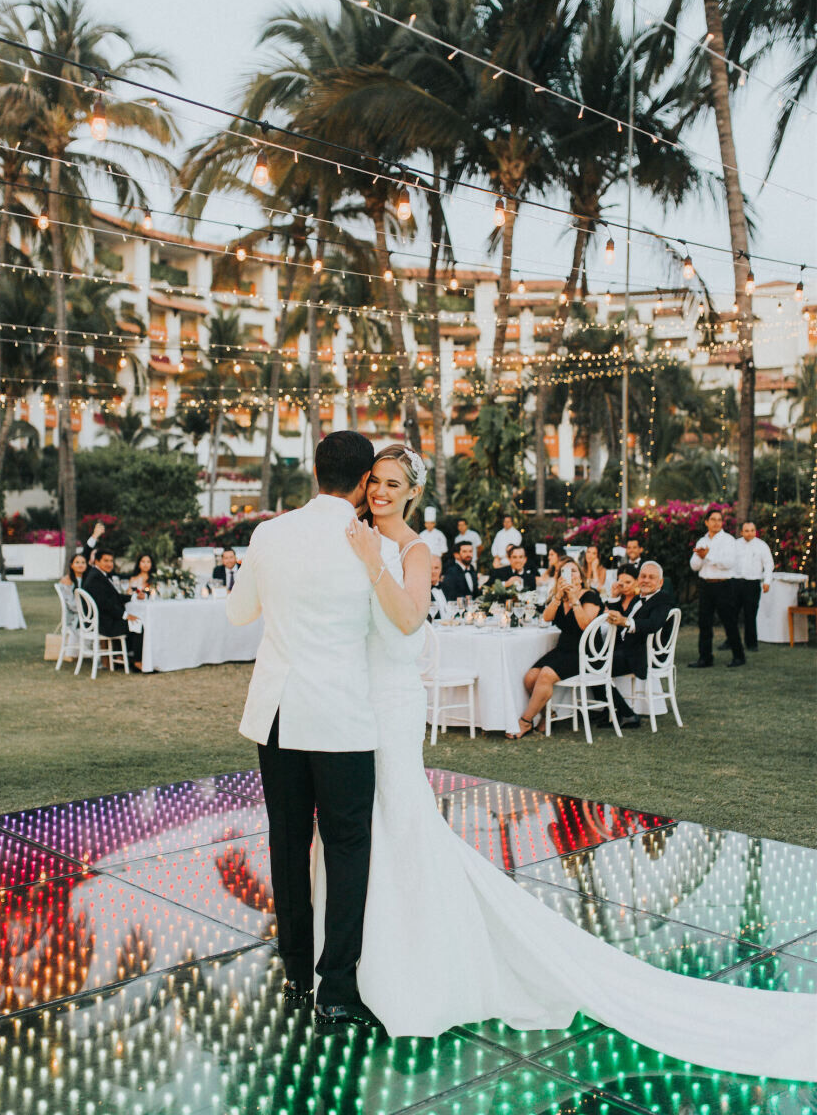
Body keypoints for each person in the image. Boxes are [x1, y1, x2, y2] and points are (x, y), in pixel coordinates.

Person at [342, 448, 815, 1080]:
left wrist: (373, 563)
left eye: (393, 484)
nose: (380, 491)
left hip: (394, 701)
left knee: (401, 819)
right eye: (375, 481)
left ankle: (417, 961)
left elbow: (404, 622)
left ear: (411, 494)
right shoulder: (358, 536)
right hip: (359, 700)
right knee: (369, 824)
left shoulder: (415, 551)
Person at [226, 430, 417, 1029]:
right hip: (341, 717)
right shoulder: (374, 551)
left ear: (314, 472)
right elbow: (394, 636)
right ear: (365, 483)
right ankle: (336, 987)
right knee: (346, 849)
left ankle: (294, 972)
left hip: (279, 714)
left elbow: (238, 613)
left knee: (287, 844)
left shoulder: (268, 533)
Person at [510, 557, 603, 738]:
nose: (569, 575)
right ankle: (548, 715)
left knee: (545, 674)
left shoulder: (590, 596)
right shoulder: (559, 597)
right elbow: (546, 617)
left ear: (581, 577)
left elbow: (585, 626)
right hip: (564, 649)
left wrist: (575, 599)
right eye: (564, 572)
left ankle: (525, 721)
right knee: (530, 678)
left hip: (585, 652)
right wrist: (559, 596)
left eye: (573, 571)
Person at [601, 561, 674, 729]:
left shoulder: (662, 599)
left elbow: (653, 623)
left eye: (651, 577)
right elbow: (622, 618)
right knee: (591, 661)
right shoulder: (638, 599)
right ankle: (614, 712)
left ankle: (625, 713)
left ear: (660, 582)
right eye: (643, 576)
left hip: (641, 656)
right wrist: (613, 597)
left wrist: (626, 621)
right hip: (628, 650)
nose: (646, 580)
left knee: (594, 666)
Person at [688, 509, 745, 669]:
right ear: (706, 522)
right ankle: (705, 658)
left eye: (719, 520)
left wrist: (707, 556)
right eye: (713, 519)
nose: (716, 523)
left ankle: (739, 656)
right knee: (704, 623)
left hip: (723, 585)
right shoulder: (702, 540)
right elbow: (694, 566)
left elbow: (728, 563)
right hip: (706, 585)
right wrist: (700, 557)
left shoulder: (728, 540)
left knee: (729, 621)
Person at [83, 548, 143, 667]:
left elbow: (113, 597)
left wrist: (133, 597)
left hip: (103, 621)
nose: (110, 564)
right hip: (104, 625)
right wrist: (125, 615)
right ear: (97, 561)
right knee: (139, 624)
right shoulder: (95, 578)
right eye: (106, 561)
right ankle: (137, 662)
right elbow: (104, 603)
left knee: (134, 622)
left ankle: (121, 657)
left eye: (111, 561)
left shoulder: (99, 574)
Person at [733, 522, 774, 651]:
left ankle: (751, 644)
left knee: (750, 615)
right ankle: (731, 641)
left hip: (752, 584)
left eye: (752, 530)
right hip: (736, 582)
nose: (749, 533)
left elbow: (768, 564)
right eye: (746, 531)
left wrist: (767, 581)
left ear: (755, 531)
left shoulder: (762, 546)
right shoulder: (735, 544)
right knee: (731, 614)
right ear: (742, 532)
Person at [58, 551, 90, 628]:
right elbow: (71, 605)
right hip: (75, 617)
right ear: (71, 565)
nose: (80, 565)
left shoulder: (87, 579)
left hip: (86, 614)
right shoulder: (67, 580)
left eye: (83, 562)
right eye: (77, 562)